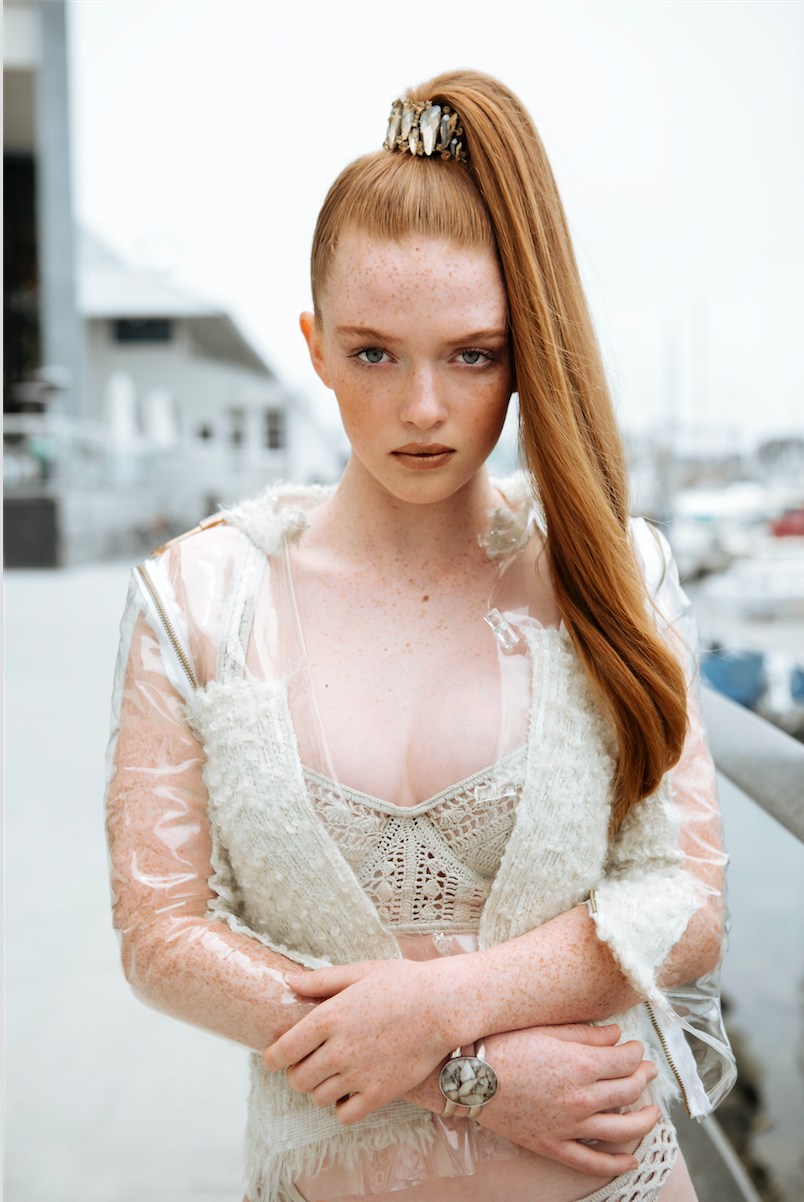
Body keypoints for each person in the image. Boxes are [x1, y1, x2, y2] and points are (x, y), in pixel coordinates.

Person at [105, 70, 735, 1202]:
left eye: (473, 353)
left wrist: (442, 1005)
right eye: (375, 353)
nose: (425, 407)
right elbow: (162, 934)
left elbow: (684, 899)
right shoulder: (198, 595)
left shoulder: (611, 572)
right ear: (313, 345)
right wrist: (467, 1077)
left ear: (524, 352)